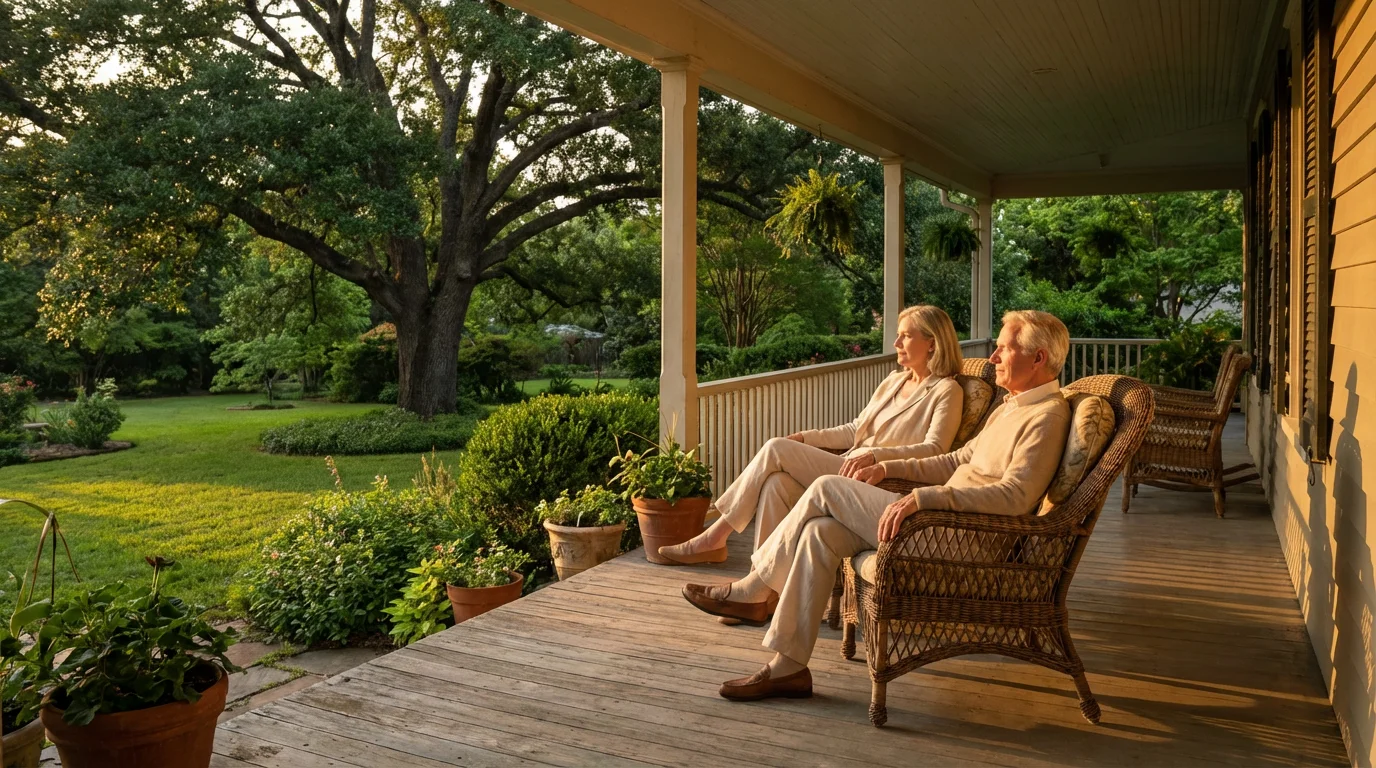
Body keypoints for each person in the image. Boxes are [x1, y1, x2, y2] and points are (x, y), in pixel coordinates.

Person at [680, 310, 1073, 701]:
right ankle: (789, 668)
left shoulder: (1047, 417)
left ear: (1037, 358)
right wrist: (887, 468)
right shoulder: (1011, 407)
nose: (994, 357)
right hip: (940, 521)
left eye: (1004, 348)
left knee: (826, 488)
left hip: (965, 537)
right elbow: (955, 460)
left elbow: (1013, 496)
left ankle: (754, 586)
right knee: (822, 532)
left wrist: (923, 497)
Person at [656, 305, 966, 566]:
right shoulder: (893, 381)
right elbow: (856, 429)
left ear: (932, 343)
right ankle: (762, 583)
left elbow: (935, 448)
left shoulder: (946, 390)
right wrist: (807, 437)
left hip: (876, 479)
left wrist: (878, 456)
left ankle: (716, 535)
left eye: (906, 335)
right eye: (898, 334)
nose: (896, 341)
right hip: (848, 464)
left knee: (776, 448)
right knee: (776, 484)